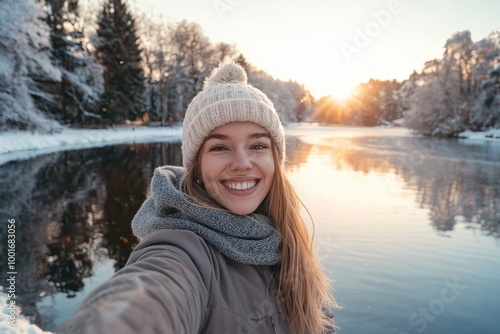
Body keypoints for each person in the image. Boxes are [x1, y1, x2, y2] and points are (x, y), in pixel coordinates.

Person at [61, 62, 336, 334]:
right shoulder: (182, 250)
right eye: (219, 147)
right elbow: (148, 298)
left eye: (258, 145)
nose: (242, 163)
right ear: (197, 167)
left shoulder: (290, 242)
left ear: (275, 159)